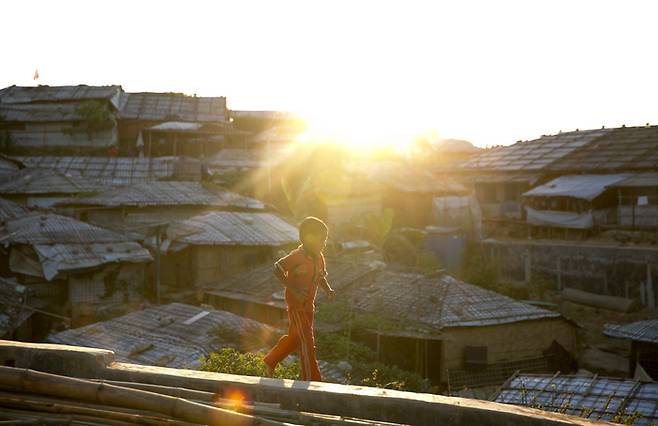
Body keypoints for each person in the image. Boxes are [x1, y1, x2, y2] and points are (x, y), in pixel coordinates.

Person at [263, 216, 335, 381]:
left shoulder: (319, 258)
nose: (324, 242)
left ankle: (271, 360)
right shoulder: (297, 256)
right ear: (308, 238)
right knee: (307, 342)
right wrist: (293, 288)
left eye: (325, 239)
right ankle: (312, 379)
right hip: (297, 306)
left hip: (309, 306)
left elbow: (320, 277)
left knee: (296, 339)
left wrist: (328, 289)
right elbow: (277, 268)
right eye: (321, 239)